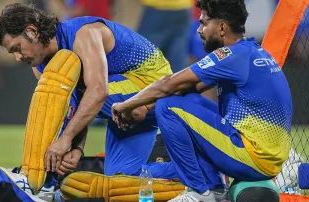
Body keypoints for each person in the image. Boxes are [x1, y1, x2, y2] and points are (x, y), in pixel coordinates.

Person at [112, 0, 293, 201]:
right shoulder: (250, 51)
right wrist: (146, 107)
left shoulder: (231, 55)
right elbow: (187, 88)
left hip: (254, 157)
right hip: (267, 155)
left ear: (222, 27)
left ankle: (200, 192)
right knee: (187, 100)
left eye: (204, 23)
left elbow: (169, 83)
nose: (199, 30)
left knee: (167, 107)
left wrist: (126, 104)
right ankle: (214, 189)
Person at [0, 3, 174, 178]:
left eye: (17, 48)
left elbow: (97, 91)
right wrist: (78, 148)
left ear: (32, 32)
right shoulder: (39, 66)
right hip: (122, 106)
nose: (17, 58)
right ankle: (192, 172)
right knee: (121, 180)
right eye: (12, 53)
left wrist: (66, 140)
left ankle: (41, 177)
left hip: (152, 85)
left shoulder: (84, 34)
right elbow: (78, 103)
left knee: (59, 98)